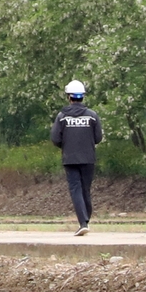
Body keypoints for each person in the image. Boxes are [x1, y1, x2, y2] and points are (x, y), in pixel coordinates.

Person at [51, 80, 103, 236]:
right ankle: (86, 221)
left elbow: (55, 138)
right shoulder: (92, 116)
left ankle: (82, 223)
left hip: (70, 158)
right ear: (82, 97)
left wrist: (67, 146)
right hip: (88, 158)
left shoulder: (61, 117)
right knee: (86, 190)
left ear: (69, 97)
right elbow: (98, 137)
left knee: (76, 190)